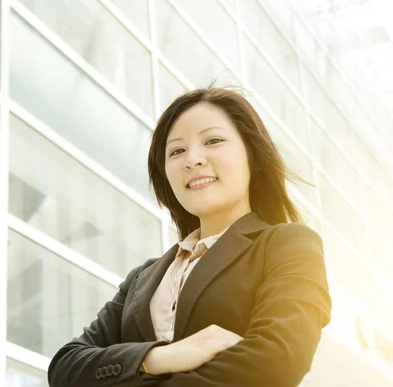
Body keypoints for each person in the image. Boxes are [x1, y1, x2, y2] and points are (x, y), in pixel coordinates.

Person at [47, 85, 332, 387]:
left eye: (213, 140)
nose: (192, 160)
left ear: (253, 155)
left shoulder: (289, 246)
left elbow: (277, 362)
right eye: (177, 150)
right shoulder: (142, 278)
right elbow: (65, 369)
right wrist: (158, 357)